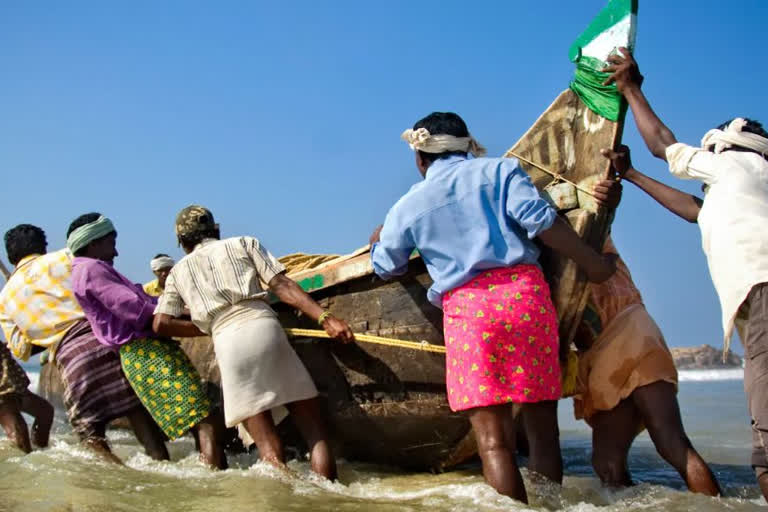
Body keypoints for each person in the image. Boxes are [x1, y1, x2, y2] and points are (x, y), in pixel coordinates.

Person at [369, 112, 616, 503]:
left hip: (469, 315)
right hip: (524, 298)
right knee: (542, 431)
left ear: (419, 158)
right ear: (468, 145)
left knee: (494, 443)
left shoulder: (408, 206)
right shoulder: (501, 172)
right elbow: (542, 223)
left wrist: (377, 241)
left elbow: (386, 266)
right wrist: (594, 264)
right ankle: (552, 507)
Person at [603, 49, 768, 499]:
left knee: (767, 439)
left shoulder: (735, 160)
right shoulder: (752, 184)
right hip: (755, 310)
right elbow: (698, 212)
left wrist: (632, 89)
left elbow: (664, 145)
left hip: (764, 298)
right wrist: (631, 174)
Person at [152, 205, 354, 480]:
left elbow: (161, 324)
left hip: (227, 345)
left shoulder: (176, 273)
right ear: (216, 230)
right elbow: (282, 285)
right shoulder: (244, 243)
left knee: (269, 452)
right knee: (316, 434)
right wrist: (326, 318)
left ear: (184, 243)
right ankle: (329, 497)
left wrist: (209, 330)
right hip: (263, 328)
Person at [67, 213, 226, 469]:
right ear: (94, 243)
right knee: (204, 419)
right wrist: (197, 315)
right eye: (111, 242)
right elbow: (134, 309)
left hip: (144, 353)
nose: (116, 252)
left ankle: (212, 475)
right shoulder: (91, 269)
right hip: (146, 352)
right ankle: (214, 485)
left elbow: (143, 304)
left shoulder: (86, 270)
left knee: (200, 417)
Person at [0, 224, 168, 463]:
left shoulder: (5, 298)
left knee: (91, 434)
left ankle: (120, 481)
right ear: (42, 247)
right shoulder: (65, 256)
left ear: (11, 256)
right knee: (138, 414)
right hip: (109, 341)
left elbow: (22, 350)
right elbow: (104, 282)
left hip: (72, 360)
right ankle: (161, 466)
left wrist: (49, 331)